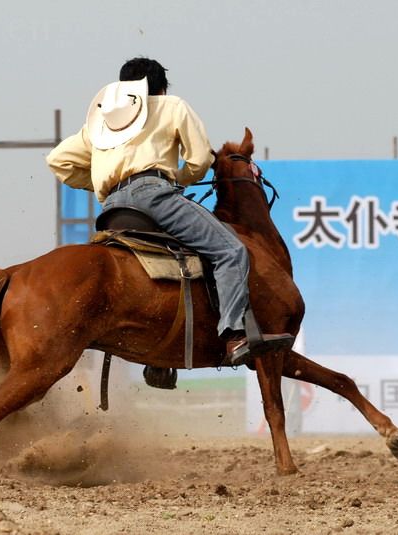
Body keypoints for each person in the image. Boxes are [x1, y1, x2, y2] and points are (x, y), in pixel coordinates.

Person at [46, 57, 291, 373]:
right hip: (155, 199)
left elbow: (58, 161)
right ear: (160, 88)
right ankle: (234, 336)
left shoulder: (102, 122)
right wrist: (178, 178)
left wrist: (100, 185)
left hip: (114, 209)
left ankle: (161, 362)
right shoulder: (171, 106)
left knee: (176, 259)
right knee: (230, 252)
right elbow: (200, 159)